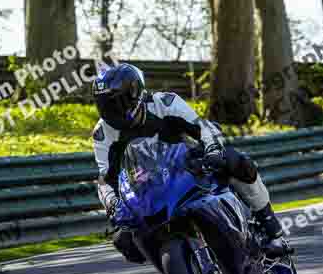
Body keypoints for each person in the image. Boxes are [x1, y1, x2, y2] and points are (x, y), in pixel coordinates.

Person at [92, 63, 285, 263]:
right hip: (148, 188)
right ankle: (178, 263)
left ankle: (272, 228)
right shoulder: (102, 133)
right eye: (105, 105)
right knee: (124, 240)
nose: (113, 111)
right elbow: (106, 178)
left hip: (190, 165)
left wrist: (212, 150)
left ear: (135, 93)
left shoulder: (165, 103)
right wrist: (114, 205)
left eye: (118, 102)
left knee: (237, 162)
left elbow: (203, 128)